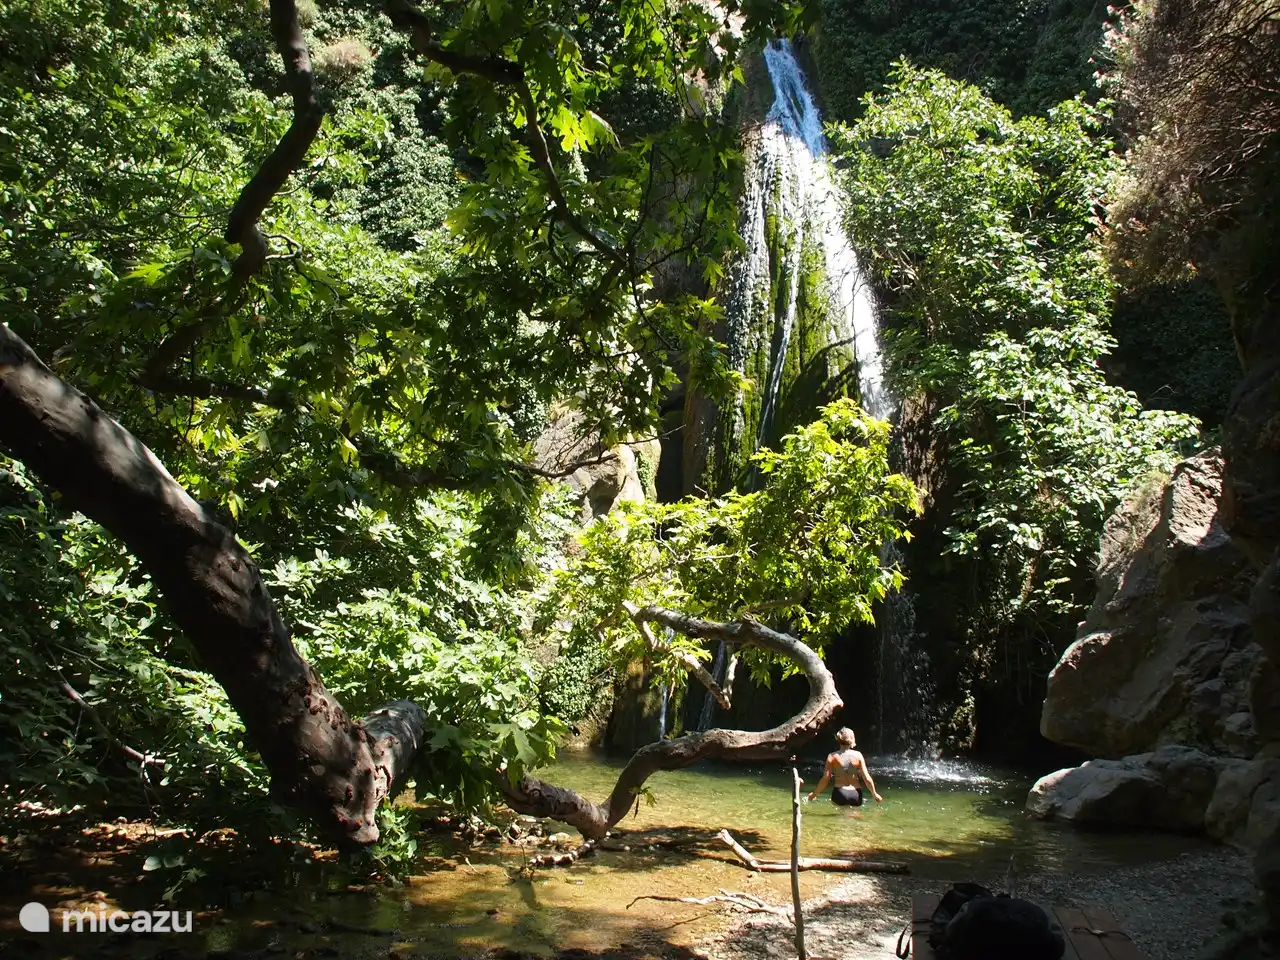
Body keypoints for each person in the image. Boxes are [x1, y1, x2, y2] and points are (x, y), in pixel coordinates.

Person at [804, 727, 883, 806]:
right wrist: (874, 794)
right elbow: (866, 777)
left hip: (840, 793)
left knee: (840, 816)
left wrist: (814, 794)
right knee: (854, 815)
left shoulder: (832, 756)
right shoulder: (858, 755)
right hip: (855, 793)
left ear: (838, 739)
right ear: (852, 739)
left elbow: (826, 778)